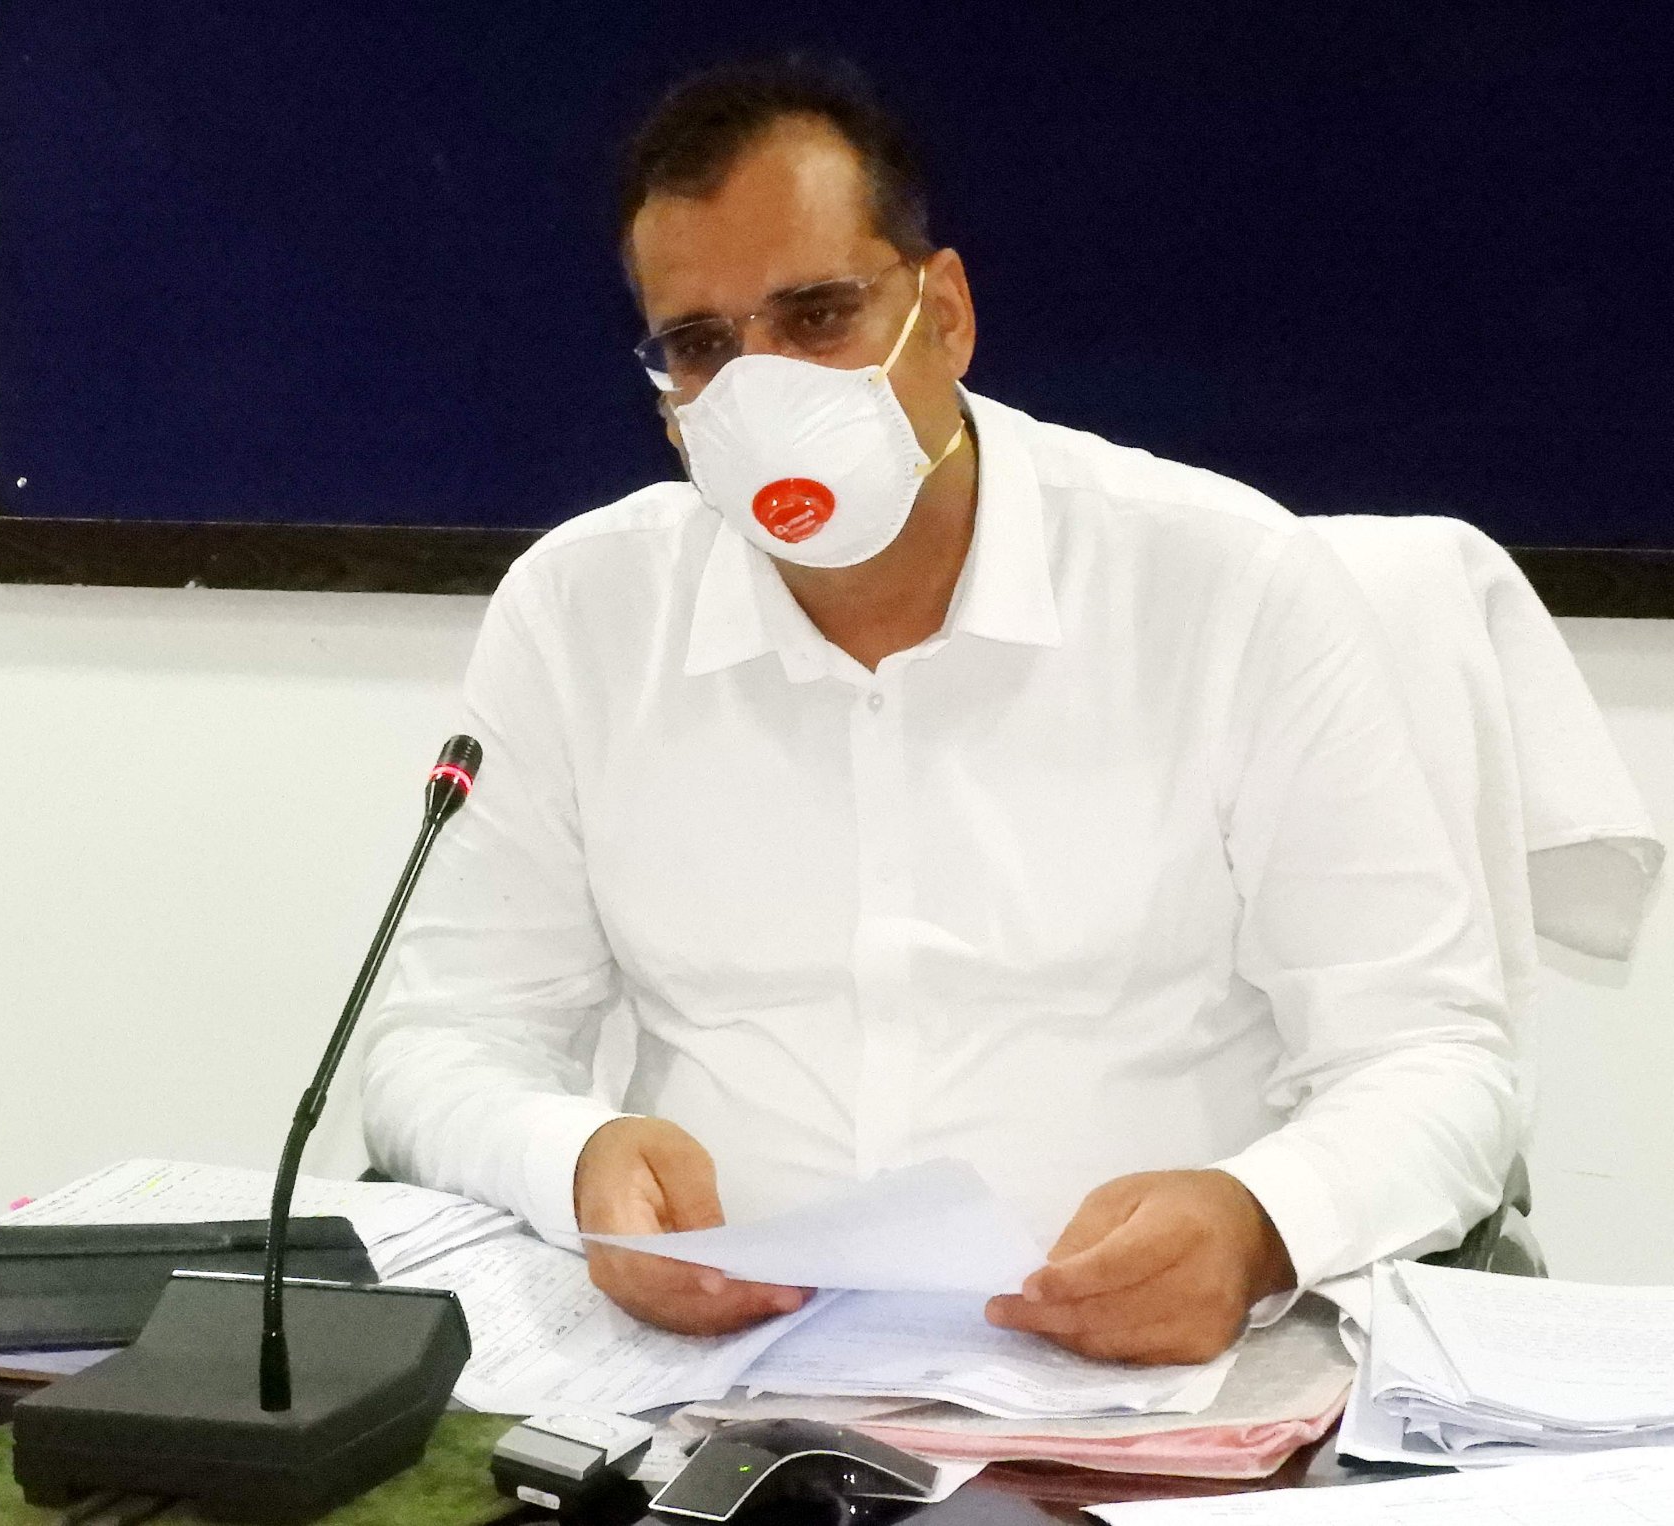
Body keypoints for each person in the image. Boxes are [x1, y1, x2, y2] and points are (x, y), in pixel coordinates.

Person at [360, 58, 1518, 1365]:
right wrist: (568, 1158)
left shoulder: (1224, 584)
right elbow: (441, 1041)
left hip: (1142, 1388)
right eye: (702, 347)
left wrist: (1262, 1221)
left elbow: (1434, 1061)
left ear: (946, 314)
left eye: (818, 316)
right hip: (715, 1387)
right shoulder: (581, 612)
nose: (761, 388)